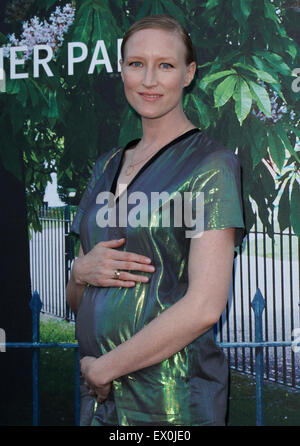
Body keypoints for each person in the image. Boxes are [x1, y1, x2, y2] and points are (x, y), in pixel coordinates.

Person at [66, 14, 246, 426]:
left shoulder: (211, 164)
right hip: (99, 399)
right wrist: (79, 271)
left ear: (189, 73)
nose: (149, 79)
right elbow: (79, 300)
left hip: (170, 402)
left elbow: (204, 305)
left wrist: (106, 368)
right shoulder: (106, 165)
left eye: (165, 65)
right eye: (136, 64)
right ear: (122, 69)